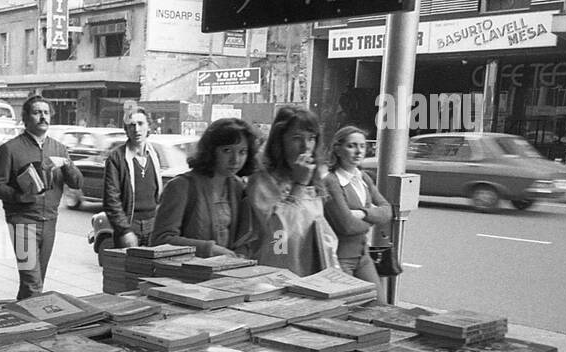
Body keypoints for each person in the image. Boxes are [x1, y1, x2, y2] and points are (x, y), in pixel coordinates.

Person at [0, 96, 83, 300]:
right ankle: (38, 326)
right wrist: (20, 196)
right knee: (33, 283)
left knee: (34, 280)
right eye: (37, 112)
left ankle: (22, 321)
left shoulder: (59, 148)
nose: (43, 117)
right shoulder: (10, 149)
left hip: (49, 221)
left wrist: (67, 166)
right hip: (22, 222)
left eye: (46, 113)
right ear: (25, 118)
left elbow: (77, 183)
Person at [243, 106, 338, 274]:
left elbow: (318, 229)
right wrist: (299, 185)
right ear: (280, 141)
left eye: (311, 138)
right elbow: (278, 237)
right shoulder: (262, 181)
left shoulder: (313, 179)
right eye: (296, 138)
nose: (305, 146)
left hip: (311, 270)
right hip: (276, 271)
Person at [150, 117, 258, 255]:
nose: (235, 159)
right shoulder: (181, 186)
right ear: (211, 150)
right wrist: (208, 249)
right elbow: (160, 240)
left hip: (224, 273)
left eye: (242, 152)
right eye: (227, 150)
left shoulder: (238, 187)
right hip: (184, 273)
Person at [322, 125, 391, 291]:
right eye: (351, 146)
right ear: (338, 150)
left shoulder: (364, 177)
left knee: (378, 303)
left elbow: (387, 210)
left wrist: (363, 213)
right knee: (348, 308)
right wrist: (373, 218)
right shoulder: (331, 181)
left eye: (362, 146)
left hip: (363, 255)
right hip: (340, 258)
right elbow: (347, 225)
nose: (358, 152)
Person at [103, 109, 164, 248]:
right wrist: (125, 231)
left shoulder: (155, 155)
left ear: (149, 126)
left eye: (140, 123)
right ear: (126, 129)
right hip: (130, 227)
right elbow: (111, 200)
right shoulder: (116, 158)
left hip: (153, 226)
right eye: (131, 125)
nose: (136, 129)